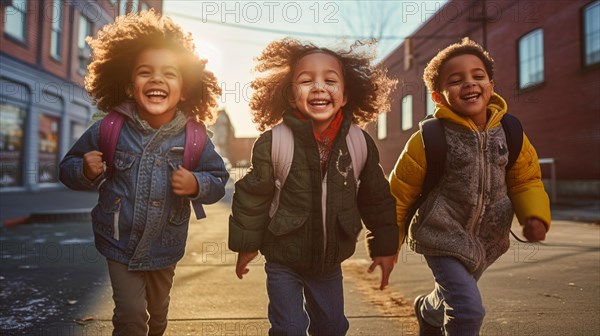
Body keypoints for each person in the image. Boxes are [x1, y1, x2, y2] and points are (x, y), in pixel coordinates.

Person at [59, 10, 228, 336]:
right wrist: (85, 170)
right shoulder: (109, 128)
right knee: (131, 315)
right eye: (144, 72)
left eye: (170, 73)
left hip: (166, 243)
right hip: (119, 240)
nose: (156, 79)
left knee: (157, 312)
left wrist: (196, 184)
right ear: (128, 85)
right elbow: (67, 169)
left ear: (185, 87)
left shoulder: (194, 136)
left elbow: (218, 179)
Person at [228, 37, 400, 335]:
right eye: (306, 80)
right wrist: (246, 245)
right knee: (290, 328)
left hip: (328, 262)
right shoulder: (275, 142)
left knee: (333, 327)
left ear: (346, 95)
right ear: (291, 96)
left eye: (330, 80)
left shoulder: (358, 143)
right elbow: (252, 196)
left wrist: (384, 246)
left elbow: (376, 198)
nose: (319, 87)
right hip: (283, 257)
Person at [388, 38, 551, 336]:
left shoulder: (511, 132)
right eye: (456, 79)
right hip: (441, 234)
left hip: (488, 239)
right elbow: (399, 194)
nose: (469, 83)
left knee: (453, 293)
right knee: (467, 310)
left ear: (490, 85)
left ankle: (427, 309)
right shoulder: (429, 138)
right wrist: (387, 244)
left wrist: (535, 216)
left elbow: (526, 179)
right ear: (438, 96)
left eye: (478, 76)